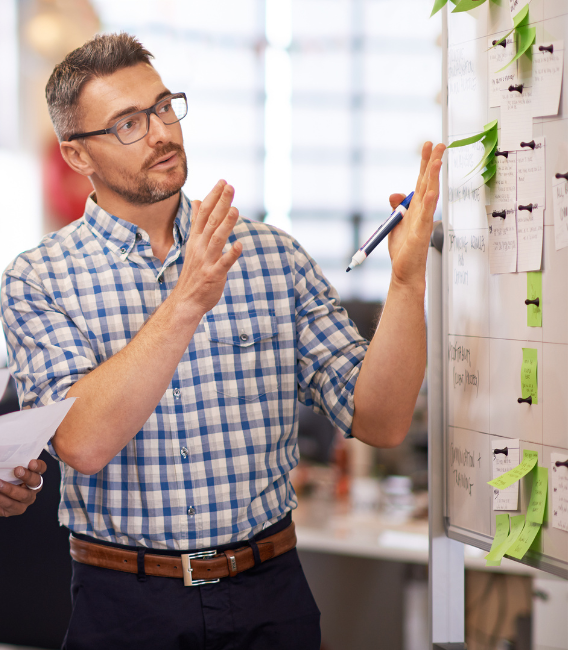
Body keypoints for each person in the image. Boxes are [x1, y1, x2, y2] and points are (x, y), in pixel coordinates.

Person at [1, 32, 444, 650]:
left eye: (162, 107)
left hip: (271, 592)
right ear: (78, 157)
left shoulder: (269, 255)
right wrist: (187, 302)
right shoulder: (38, 278)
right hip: (123, 605)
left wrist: (405, 281)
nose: (161, 132)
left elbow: (383, 417)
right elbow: (82, 442)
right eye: (128, 123)